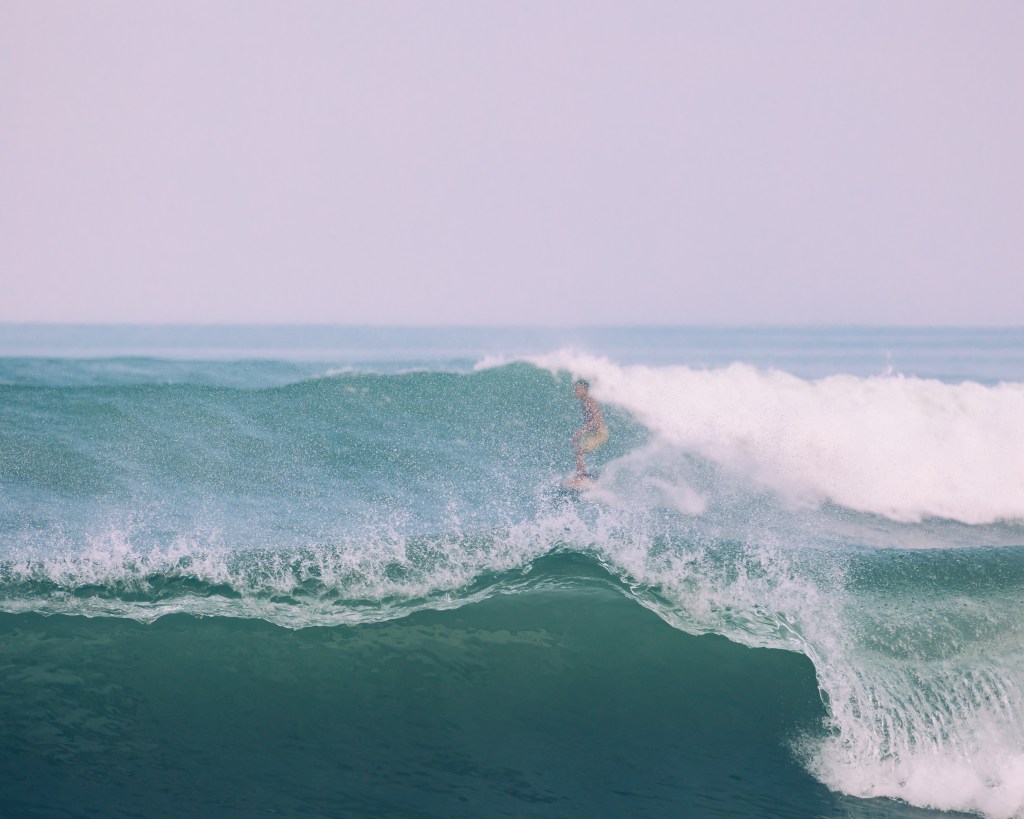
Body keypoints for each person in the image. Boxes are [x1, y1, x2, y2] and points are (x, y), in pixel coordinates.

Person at [570, 379, 608, 483]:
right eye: (575, 389)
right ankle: (583, 474)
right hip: (593, 432)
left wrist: (581, 431)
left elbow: (596, 420)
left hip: (599, 433)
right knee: (578, 449)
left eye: (578, 389)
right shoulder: (584, 401)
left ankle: (581, 477)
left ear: (585, 390)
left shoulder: (590, 401)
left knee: (580, 451)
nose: (575, 391)